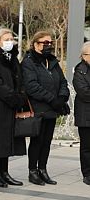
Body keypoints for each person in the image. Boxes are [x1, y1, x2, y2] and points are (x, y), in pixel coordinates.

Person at [22, 31, 70, 185]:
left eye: (50, 43)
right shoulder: (29, 62)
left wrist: (62, 99)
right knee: (37, 140)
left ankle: (43, 169)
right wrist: (52, 99)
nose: (48, 45)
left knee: (47, 141)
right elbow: (32, 86)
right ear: (36, 44)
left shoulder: (52, 61)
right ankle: (33, 171)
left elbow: (63, 82)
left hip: (52, 108)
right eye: (45, 43)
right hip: (39, 107)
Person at [0, 28, 27, 187]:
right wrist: (12, 97)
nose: (10, 42)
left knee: (8, 139)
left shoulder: (13, 59)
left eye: (11, 39)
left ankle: (5, 172)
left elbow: (20, 80)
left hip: (12, 105)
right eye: (6, 39)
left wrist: (21, 96)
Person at [73, 42, 90, 185]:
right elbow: (84, 93)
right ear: (85, 56)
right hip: (85, 115)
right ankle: (87, 173)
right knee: (86, 146)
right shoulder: (80, 71)